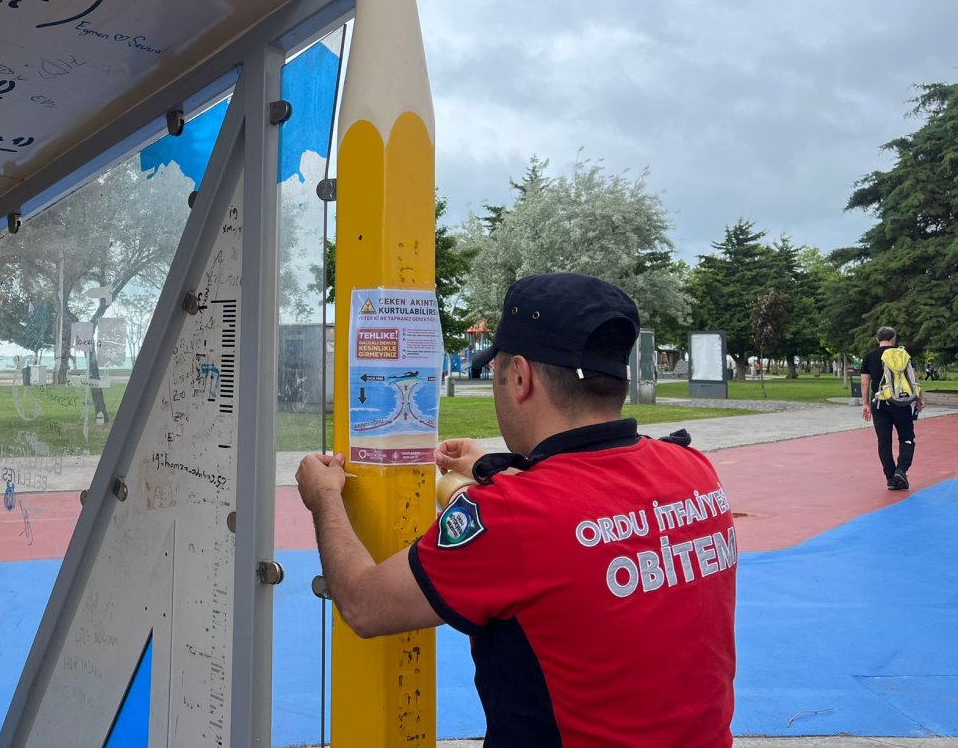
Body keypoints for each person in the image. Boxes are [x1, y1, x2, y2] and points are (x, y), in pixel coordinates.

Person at [296, 273, 737, 746]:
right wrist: (491, 467)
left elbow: (364, 605)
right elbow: (591, 511)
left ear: (521, 377)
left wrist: (324, 498)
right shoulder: (692, 470)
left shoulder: (512, 518)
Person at [860, 326, 925, 490]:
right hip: (901, 403)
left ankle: (890, 477)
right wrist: (920, 398)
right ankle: (901, 470)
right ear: (893, 339)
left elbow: (864, 382)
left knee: (884, 441)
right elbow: (913, 378)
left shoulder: (870, 357)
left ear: (877, 339)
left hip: (880, 403)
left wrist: (866, 404)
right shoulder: (903, 354)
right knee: (907, 437)